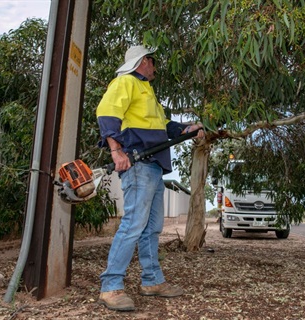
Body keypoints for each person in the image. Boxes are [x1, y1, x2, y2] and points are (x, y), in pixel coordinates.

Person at [95, 45, 204, 312]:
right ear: (144, 61)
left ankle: (152, 281)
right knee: (133, 224)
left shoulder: (148, 92)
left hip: (154, 166)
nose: (155, 67)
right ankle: (110, 287)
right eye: (153, 61)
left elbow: (163, 126)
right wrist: (116, 150)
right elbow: (106, 113)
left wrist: (186, 128)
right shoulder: (127, 82)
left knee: (152, 227)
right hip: (138, 163)